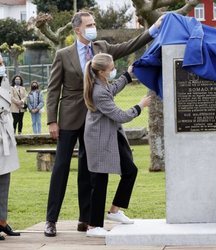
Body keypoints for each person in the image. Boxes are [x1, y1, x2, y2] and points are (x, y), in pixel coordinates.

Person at [45, 10, 163, 237]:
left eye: (94, 23)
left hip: (96, 122)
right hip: (70, 118)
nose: (93, 27)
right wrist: (52, 120)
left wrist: (154, 29)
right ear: (77, 29)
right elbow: (53, 90)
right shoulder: (63, 54)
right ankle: (51, 220)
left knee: (90, 172)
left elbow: (130, 45)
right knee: (60, 169)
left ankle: (86, 219)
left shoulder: (101, 48)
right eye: (89, 24)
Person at [83, 53, 151, 237]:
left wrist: (127, 75)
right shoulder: (98, 92)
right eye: (111, 68)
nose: (114, 70)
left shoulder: (102, 84)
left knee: (130, 170)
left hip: (111, 135)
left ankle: (114, 211)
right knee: (99, 181)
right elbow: (120, 115)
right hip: (99, 139)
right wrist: (140, 105)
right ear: (102, 72)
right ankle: (93, 226)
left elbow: (112, 89)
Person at [0, 56, 20, 240]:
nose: (1, 67)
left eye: (1, 63)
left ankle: (2, 221)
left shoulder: (4, 80)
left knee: (4, 179)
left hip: (4, 133)